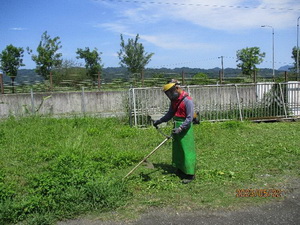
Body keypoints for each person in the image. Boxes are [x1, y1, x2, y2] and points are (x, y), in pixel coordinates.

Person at [153, 80, 196, 184]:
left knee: (186, 150)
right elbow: (170, 114)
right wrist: (159, 121)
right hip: (176, 126)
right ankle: (180, 170)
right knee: (178, 150)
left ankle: (190, 174)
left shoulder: (187, 101)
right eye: (168, 93)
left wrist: (181, 128)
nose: (170, 95)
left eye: (171, 92)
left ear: (177, 88)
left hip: (185, 129)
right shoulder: (174, 101)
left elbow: (189, 118)